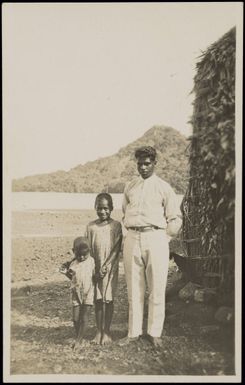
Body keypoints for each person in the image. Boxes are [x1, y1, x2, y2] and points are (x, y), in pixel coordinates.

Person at [121, 146, 182, 348]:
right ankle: (133, 332)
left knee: (156, 287)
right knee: (134, 287)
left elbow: (175, 218)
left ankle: (154, 332)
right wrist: (130, 231)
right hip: (132, 237)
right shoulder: (130, 186)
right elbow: (124, 212)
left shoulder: (164, 187)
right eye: (140, 163)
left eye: (147, 163)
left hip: (156, 238)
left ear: (154, 163)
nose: (143, 167)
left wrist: (164, 238)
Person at [86, 193, 123, 345]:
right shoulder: (90, 226)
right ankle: (99, 331)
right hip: (95, 269)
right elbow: (87, 248)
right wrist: (94, 269)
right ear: (95, 208)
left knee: (108, 299)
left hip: (110, 268)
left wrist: (106, 266)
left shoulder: (116, 226)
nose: (103, 212)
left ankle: (107, 331)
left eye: (106, 208)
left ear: (112, 209)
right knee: (98, 299)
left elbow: (116, 248)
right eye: (99, 208)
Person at [59, 236, 95, 350]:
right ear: (74, 251)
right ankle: (79, 335)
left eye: (85, 254)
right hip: (76, 292)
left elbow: (95, 276)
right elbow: (72, 277)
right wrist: (65, 273)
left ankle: (79, 340)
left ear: (89, 250)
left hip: (88, 291)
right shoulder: (73, 263)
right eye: (79, 255)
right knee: (75, 318)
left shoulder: (92, 262)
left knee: (84, 316)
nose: (82, 257)